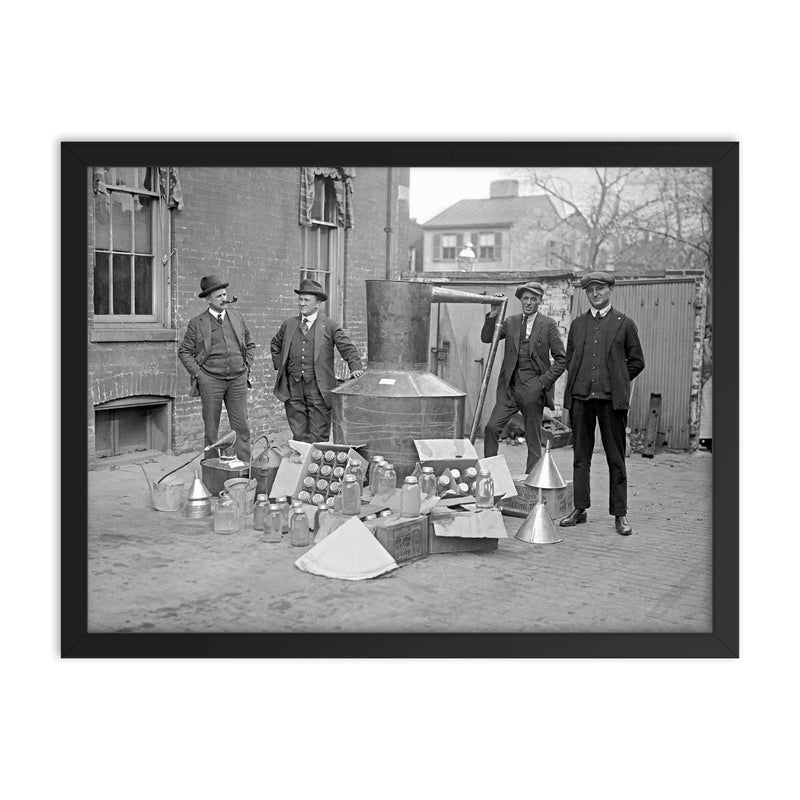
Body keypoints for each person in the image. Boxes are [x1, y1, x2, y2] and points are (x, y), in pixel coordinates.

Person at [560, 272, 645, 535]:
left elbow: (636, 361)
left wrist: (618, 380)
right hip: (581, 400)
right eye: (590, 290)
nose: (595, 294)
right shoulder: (577, 325)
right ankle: (580, 508)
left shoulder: (624, 324)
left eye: (600, 289)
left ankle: (620, 514)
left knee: (616, 459)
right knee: (580, 458)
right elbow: (571, 360)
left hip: (611, 402)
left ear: (610, 291)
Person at [480, 281, 567, 473]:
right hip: (509, 389)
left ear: (540, 301)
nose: (528, 302)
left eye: (533, 299)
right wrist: (493, 313)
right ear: (521, 300)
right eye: (525, 299)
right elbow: (487, 337)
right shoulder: (511, 322)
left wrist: (542, 383)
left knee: (533, 440)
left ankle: (531, 484)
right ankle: (490, 475)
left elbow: (562, 360)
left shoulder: (549, 325)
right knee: (492, 428)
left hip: (533, 390)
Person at [271, 278, 364, 443]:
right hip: (293, 387)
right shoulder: (289, 324)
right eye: (300, 299)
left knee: (319, 435)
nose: (301, 303)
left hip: (319, 388)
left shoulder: (329, 326)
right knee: (299, 434)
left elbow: (348, 348)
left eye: (306, 300)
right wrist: (281, 366)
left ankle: (317, 467)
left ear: (317, 303)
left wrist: (355, 367)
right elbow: (275, 344)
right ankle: (301, 464)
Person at [178, 275, 256, 462]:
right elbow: (184, 351)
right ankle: (212, 471)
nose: (223, 299)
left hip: (237, 380)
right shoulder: (198, 323)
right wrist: (199, 375)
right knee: (211, 431)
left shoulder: (237, 317)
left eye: (225, 294)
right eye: (219, 296)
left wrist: (246, 366)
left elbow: (250, 344)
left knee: (242, 428)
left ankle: (246, 468)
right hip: (211, 381)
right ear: (208, 299)